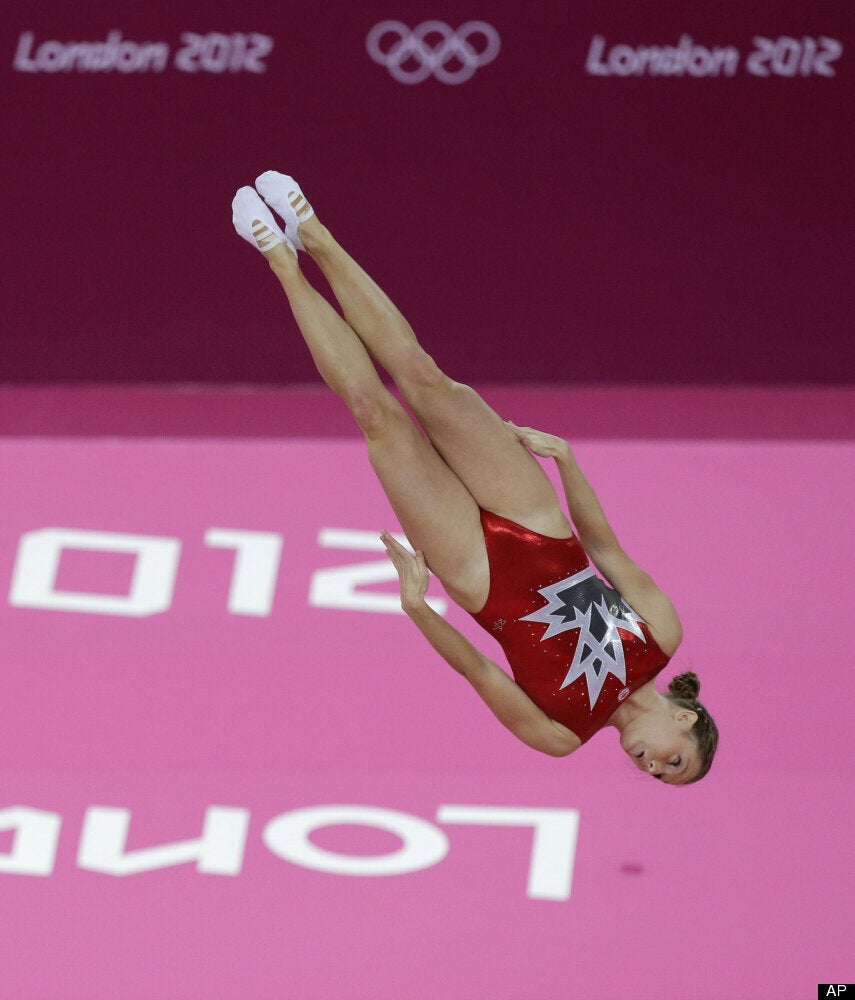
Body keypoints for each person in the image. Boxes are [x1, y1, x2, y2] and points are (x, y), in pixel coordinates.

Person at [231, 172, 719, 784]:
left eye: (656, 774)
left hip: (475, 575)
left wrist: (418, 608)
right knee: (425, 378)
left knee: (377, 418)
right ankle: (313, 233)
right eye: (675, 760)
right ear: (685, 720)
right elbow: (603, 547)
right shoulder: (663, 633)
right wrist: (567, 461)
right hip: (539, 524)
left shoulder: (561, 735)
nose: (651, 763)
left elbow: (482, 672)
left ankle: (279, 260)